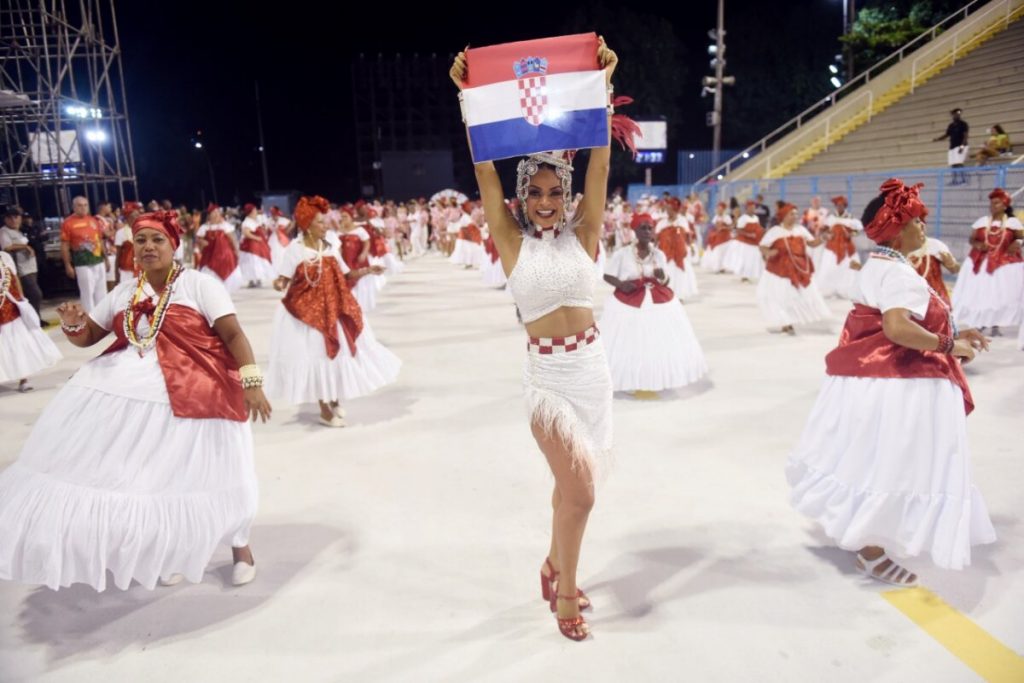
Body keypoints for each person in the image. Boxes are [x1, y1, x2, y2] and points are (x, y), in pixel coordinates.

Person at [451, 36, 624, 642]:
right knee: (581, 496)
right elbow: (484, 171)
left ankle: (554, 565)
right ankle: (565, 592)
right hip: (548, 382)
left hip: (593, 371)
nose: (546, 202)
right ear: (521, 197)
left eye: (555, 192)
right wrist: (469, 100)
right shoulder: (510, 242)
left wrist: (602, 89)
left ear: (566, 195)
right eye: (535, 192)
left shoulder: (586, 233)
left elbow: (600, 164)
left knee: (567, 490)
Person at [0, 210, 269, 591]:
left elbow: (234, 335)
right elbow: (89, 336)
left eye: (157, 240)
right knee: (157, 479)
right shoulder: (125, 291)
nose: (148, 247)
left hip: (199, 392)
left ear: (174, 246)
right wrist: (74, 323)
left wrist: (251, 381)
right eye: (140, 240)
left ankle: (242, 550)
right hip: (133, 390)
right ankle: (174, 551)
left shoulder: (198, 285)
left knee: (216, 471)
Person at [787, 178, 994, 586]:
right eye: (917, 220)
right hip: (900, 383)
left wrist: (955, 330)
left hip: (874, 380)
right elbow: (897, 327)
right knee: (896, 463)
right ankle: (872, 552)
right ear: (897, 229)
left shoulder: (878, 265)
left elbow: (901, 317)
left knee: (871, 457)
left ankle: (863, 534)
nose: (923, 227)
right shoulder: (899, 274)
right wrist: (949, 345)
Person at [266, 196, 401, 427]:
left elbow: (346, 275)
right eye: (320, 222)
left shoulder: (330, 248)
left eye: (324, 221)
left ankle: (334, 398)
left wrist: (368, 270)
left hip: (333, 308)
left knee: (335, 353)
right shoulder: (295, 251)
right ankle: (324, 409)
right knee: (317, 355)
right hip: (306, 314)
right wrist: (278, 284)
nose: (325, 225)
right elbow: (283, 279)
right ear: (307, 225)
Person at [601, 215, 707, 392]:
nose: (647, 232)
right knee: (631, 341)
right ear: (635, 230)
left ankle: (651, 377)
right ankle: (630, 378)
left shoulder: (658, 254)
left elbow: (666, 281)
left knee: (655, 341)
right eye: (643, 228)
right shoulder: (623, 254)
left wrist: (661, 276)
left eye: (650, 228)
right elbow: (607, 275)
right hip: (628, 300)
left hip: (657, 299)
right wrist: (620, 284)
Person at [950, 188, 1024, 335]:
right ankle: (981, 323)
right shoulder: (982, 221)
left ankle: (995, 325)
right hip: (981, 264)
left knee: (999, 296)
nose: (992, 206)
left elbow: (1021, 237)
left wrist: (1018, 243)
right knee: (983, 295)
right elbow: (972, 239)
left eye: (996, 203)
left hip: (1003, 265)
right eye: (991, 203)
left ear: (1005, 205)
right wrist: (978, 245)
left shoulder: (1013, 222)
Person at [757, 203, 831, 335]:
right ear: (784, 216)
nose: (795, 216)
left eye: (796, 214)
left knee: (796, 297)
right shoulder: (775, 231)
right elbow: (762, 246)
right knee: (782, 296)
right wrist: (768, 252)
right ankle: (786, 323)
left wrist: (822, 238)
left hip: (799, 268)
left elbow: (812, 243)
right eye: (792, 214)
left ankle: (791, 320)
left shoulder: (801, 230)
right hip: (780, 270)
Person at [0, 250, 61, 391]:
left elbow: (15, 278)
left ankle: (24, 379)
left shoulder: (4, 257)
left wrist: (22, 299)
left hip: (11, 307)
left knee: (19, 343)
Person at [61, 195, 108, 313]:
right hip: (82, 264)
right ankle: (90, 318)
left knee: (101, 291)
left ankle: (102, 316)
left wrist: (106, 259)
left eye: (85, 205)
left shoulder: (93, 220)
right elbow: (65, 245)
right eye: (80, 205)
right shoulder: (68, 223)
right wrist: (67, 265)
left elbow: (100, 240)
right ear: (74, 207)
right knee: (87, 293)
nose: (83, 208)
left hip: (99, 261)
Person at [817, 195, 863, 298]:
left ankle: (846, 291)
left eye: (841, 205)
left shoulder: (850, 218)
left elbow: (857, 231)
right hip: (832, 248)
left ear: (845, 206)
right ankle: (828, 290)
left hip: (847, 247)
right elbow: (823, 230)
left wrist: (850, 234)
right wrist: (827, 234)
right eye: (838, 205)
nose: (839, 207)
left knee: (847, 269)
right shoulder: (831, 218)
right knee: (829, 268)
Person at [1, 206, 43, 314]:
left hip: (31, 267)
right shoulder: (4, 231)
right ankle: (33, 318)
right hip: (21, 269)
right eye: (10, 218)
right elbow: (7, 247)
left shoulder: (21, 230)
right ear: (5, 219)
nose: (13, 220)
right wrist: (25, 247)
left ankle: (36, 317)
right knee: (36, 294)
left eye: (16, 217)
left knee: (31, 296)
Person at [655, 198, 698, 299]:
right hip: (665, 253)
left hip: (679, 254)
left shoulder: (682, 221)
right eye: (667, 209)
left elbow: (688, 237)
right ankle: (666, 295)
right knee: (667, 272)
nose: (667, 211)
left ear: (675, 210)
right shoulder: (662, 223)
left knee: (679, 273)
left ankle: (679, 295)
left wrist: (692, 247)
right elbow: (656, 238)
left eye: (670, 209)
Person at [196, 203, 243, 292]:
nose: (217, 214)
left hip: (225, 255)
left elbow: (232, 239)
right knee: (209, 274)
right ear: (209, 215)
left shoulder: (225, 226)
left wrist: (236, 250)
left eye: (218, 212)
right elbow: (198, 239)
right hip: (210, 256)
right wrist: (202, 242)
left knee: (226, 272)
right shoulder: (204, 227)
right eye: (214, 212)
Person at [908, 228, 959, 308]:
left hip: (936, 299)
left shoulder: (935, 245)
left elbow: (955, 269)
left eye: (922, 223)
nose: (921, 226)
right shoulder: (898, 247)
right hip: (910, 299)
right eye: (916, 222)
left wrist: (950, 264)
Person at [723, 200, 765, 283]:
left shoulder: (756, 218)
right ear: (747, 208)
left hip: (754, 242)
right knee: (745, 260)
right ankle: (744, 275)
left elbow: (758, 228)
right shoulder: (743, 218)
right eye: (751, 208)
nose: (753, 209)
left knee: (753, 259)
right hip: (745, 242)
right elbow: (739, 230)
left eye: (754, 208)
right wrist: (748, 234)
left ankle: (751, 274)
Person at [238, 203, 276, 288]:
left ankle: (257, 279)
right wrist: (256, 238)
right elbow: (246, 233)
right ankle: (252, 279)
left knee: (258, 262)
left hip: (256, 246)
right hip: (250, 247)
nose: (256, 212)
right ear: (251, 212)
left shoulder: (254, 221)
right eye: (255, 210)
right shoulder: (247, 222)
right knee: (252, 262)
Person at [934, 108, 969, 185]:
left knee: (959, 163)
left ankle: (964, 180)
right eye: (955, 114)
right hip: (952, 147)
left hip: (960, 146)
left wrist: (962, 147)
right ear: (952, 115)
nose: (957, 115)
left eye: (958, 114)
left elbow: (965, 136)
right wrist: (938, 139)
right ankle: (954, 180)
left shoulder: (963, 124)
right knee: (953, 164)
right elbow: (946, 135)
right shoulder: (951, 126)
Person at [114, 201, 144, 284]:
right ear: (128, 217)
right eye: (135, 215)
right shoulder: (120, 233)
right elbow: (118, 255)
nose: (138, 217)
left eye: (138, 214)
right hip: (126, 270)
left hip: (142, 268)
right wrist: (116, 272)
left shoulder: (143, 230)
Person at [702, 202, 733, 273]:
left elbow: (731, 227)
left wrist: (724, 228)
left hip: (725, 238)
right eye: (718, 209)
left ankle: (724, 267)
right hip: (718, 237)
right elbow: (713, 227)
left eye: (721, 209)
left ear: (724, 210)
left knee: (725, 253)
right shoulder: (715, 217)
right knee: (717, 252)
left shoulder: (727, 217)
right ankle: (717, 267)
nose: (719, 211)